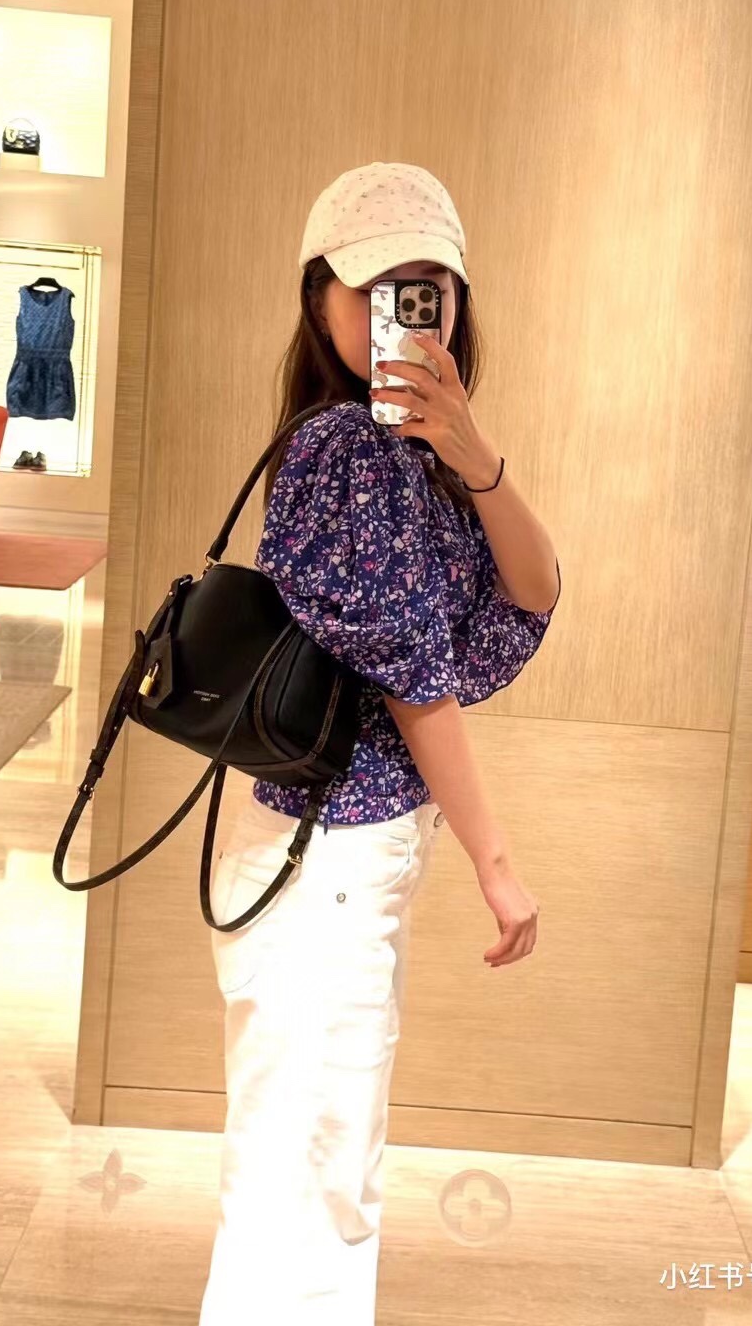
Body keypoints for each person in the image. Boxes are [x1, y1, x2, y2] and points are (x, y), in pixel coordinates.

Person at [198, 161, 562, 1325]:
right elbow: (417, 682)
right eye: (378, 289)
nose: (410, 312)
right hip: (324, 860)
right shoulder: (347, 451)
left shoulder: (417, 460)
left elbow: (534, 592)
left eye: (430, 289)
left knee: (316, 1156)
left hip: (339, 854)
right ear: (322, 304)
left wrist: (474, 450)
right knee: (314, 1168)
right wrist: (497, 862)